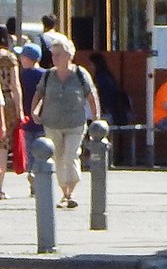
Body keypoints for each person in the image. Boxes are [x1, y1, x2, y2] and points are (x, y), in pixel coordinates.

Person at [31, 32, 100, 209]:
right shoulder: (48, 75)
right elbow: (39, 93)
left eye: (58, 54)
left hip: (75, 123)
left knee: (71, 155)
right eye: (53, 54)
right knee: (58, 157)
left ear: (69, 55)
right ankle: (65, 194)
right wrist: (34, 112)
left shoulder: (80, 74)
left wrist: (96, 118)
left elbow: (91, 96)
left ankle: (71, 191)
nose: (54, 58)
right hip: (52, 122)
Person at [17, 43, 44, 196]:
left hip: (26, 119)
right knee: (42, 150)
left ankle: (32, 174)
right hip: (42, 119)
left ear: (28, 58)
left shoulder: (21, 75)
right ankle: (38, 177)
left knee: (29, 151)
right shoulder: (44, 74)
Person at [89, 53, 132, 127]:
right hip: (117, 112)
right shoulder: (108, 76)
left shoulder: (101, 78)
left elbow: (104, 97)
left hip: (109, 112)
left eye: (91, 64)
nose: (90, 67)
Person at [0, 26, 17, 199]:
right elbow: (15, 85)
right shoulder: (9, 58)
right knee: (3, 145)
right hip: (6, 101)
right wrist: (20, 109)